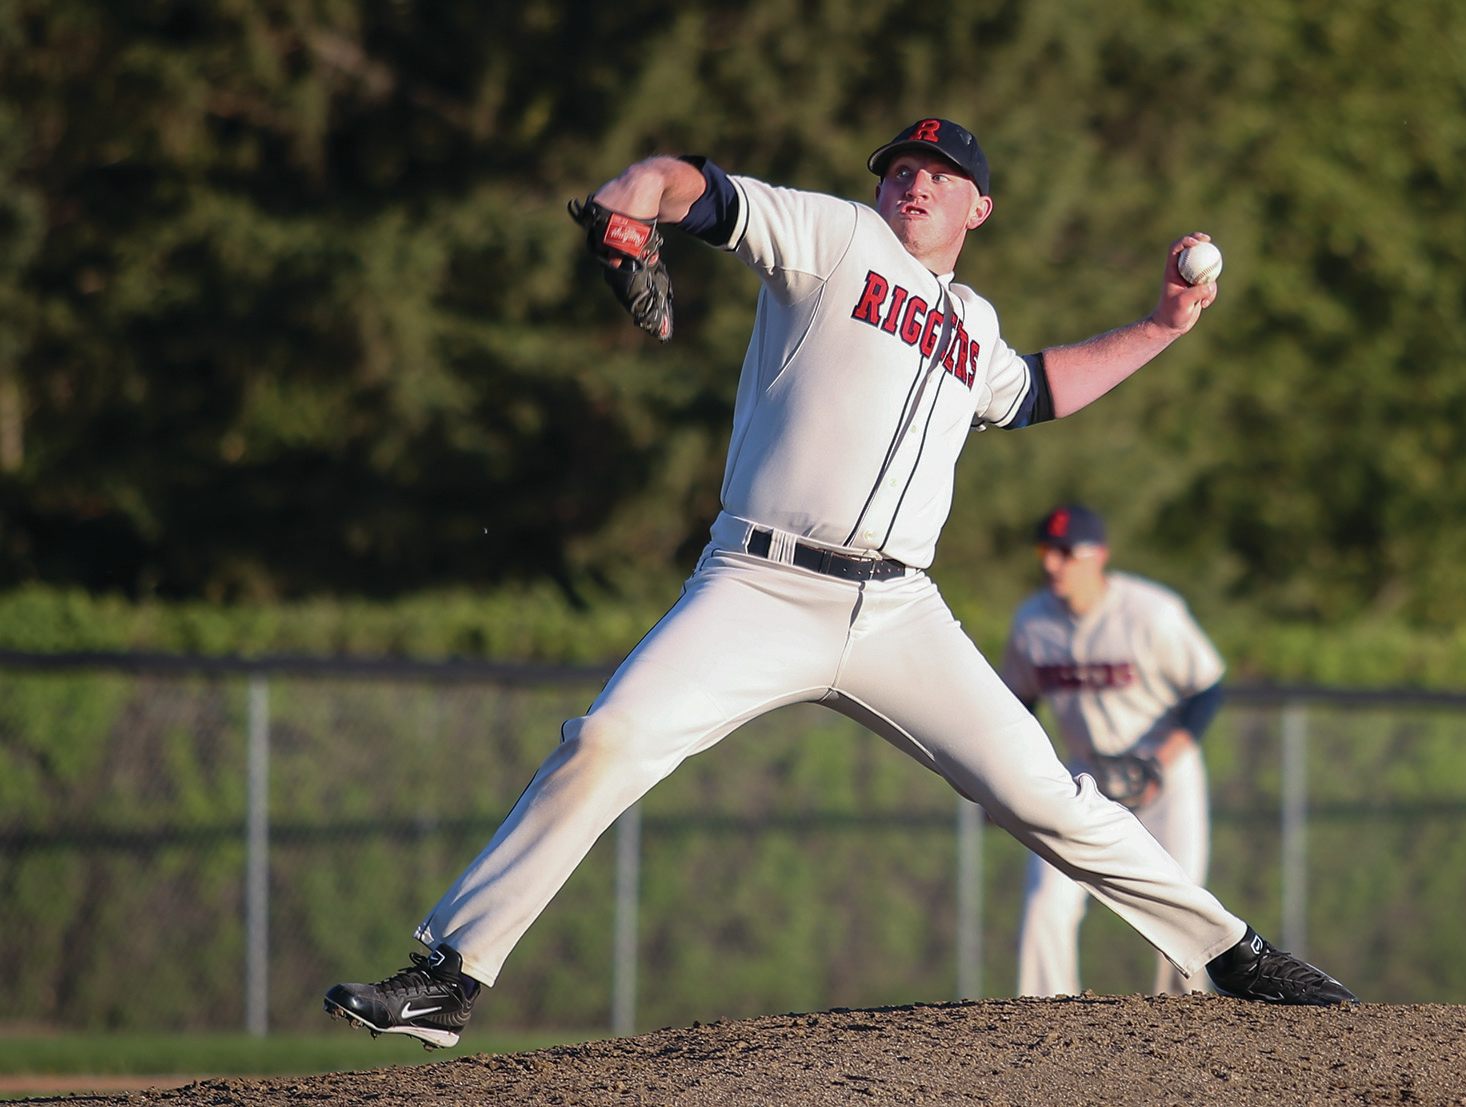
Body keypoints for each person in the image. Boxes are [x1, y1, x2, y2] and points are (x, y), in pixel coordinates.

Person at [324, 118, 1355, 1049]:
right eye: (902, 168)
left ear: (978, 208)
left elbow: (1037, 390)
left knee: (1050, 798)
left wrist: (1165, 326)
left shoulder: (975, 326)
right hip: (759, 585)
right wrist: (633, 200)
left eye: (941, 174)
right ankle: (449, 976)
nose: (916, 182)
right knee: (606, 740)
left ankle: (1230, 953)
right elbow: (694, 186)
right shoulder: (834, 240)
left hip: (901, 610)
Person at [1000, 504, 1225, 997]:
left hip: (1162, 774)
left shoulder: (1151, 612)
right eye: (1046, 551)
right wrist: (1006, 779)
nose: (1051, 564)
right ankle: (1043, 1011)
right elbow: (1017, 706)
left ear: (1097, 556)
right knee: (1047, 901)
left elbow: (1206, 688)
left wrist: (1163, 759)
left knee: (1179, 906)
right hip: (1085, 778)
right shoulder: (1032, 622)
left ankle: (1189, 1021)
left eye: (1065, 553)